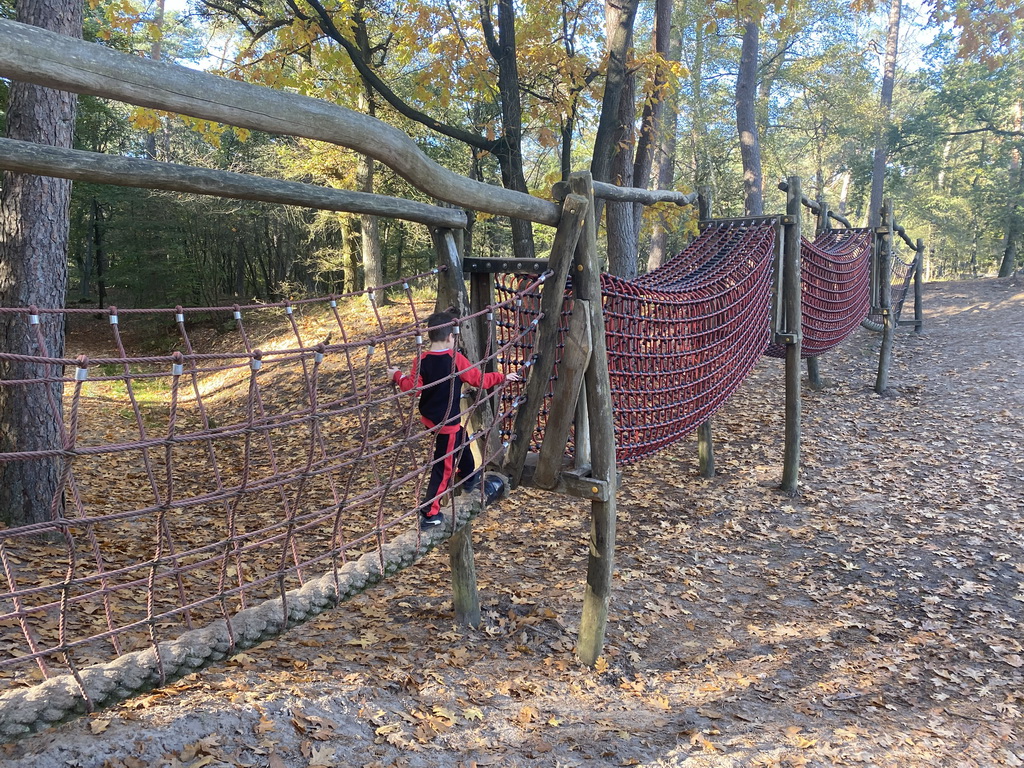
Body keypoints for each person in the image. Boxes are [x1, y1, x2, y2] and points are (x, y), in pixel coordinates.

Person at [388, 311, 521, 530]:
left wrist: (396, 375)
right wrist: (502, 377)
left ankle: (468, 475)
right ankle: (430, 512)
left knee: (462, 436)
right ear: (451, 337)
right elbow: (478, 380)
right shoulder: (455, 359)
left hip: (430, 418)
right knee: (444, 466)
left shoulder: (420, 360)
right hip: (446, 422)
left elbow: (411, 388)